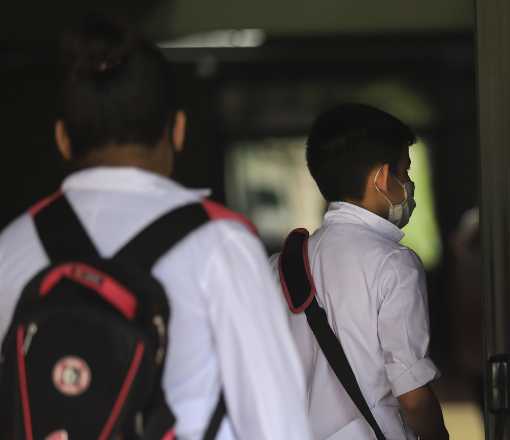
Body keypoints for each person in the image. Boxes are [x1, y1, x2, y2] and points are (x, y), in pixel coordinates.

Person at [0, 18, 312, 439]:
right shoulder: (220, 243)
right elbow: (277, 425)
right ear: (177, 131)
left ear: (62, 138)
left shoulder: (11, 247)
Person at [276, 103, 448, 439]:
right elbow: (413, 397)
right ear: (382, 178)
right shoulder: (394, 264)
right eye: (405, 172)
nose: (408, 184)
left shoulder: (283, 265)